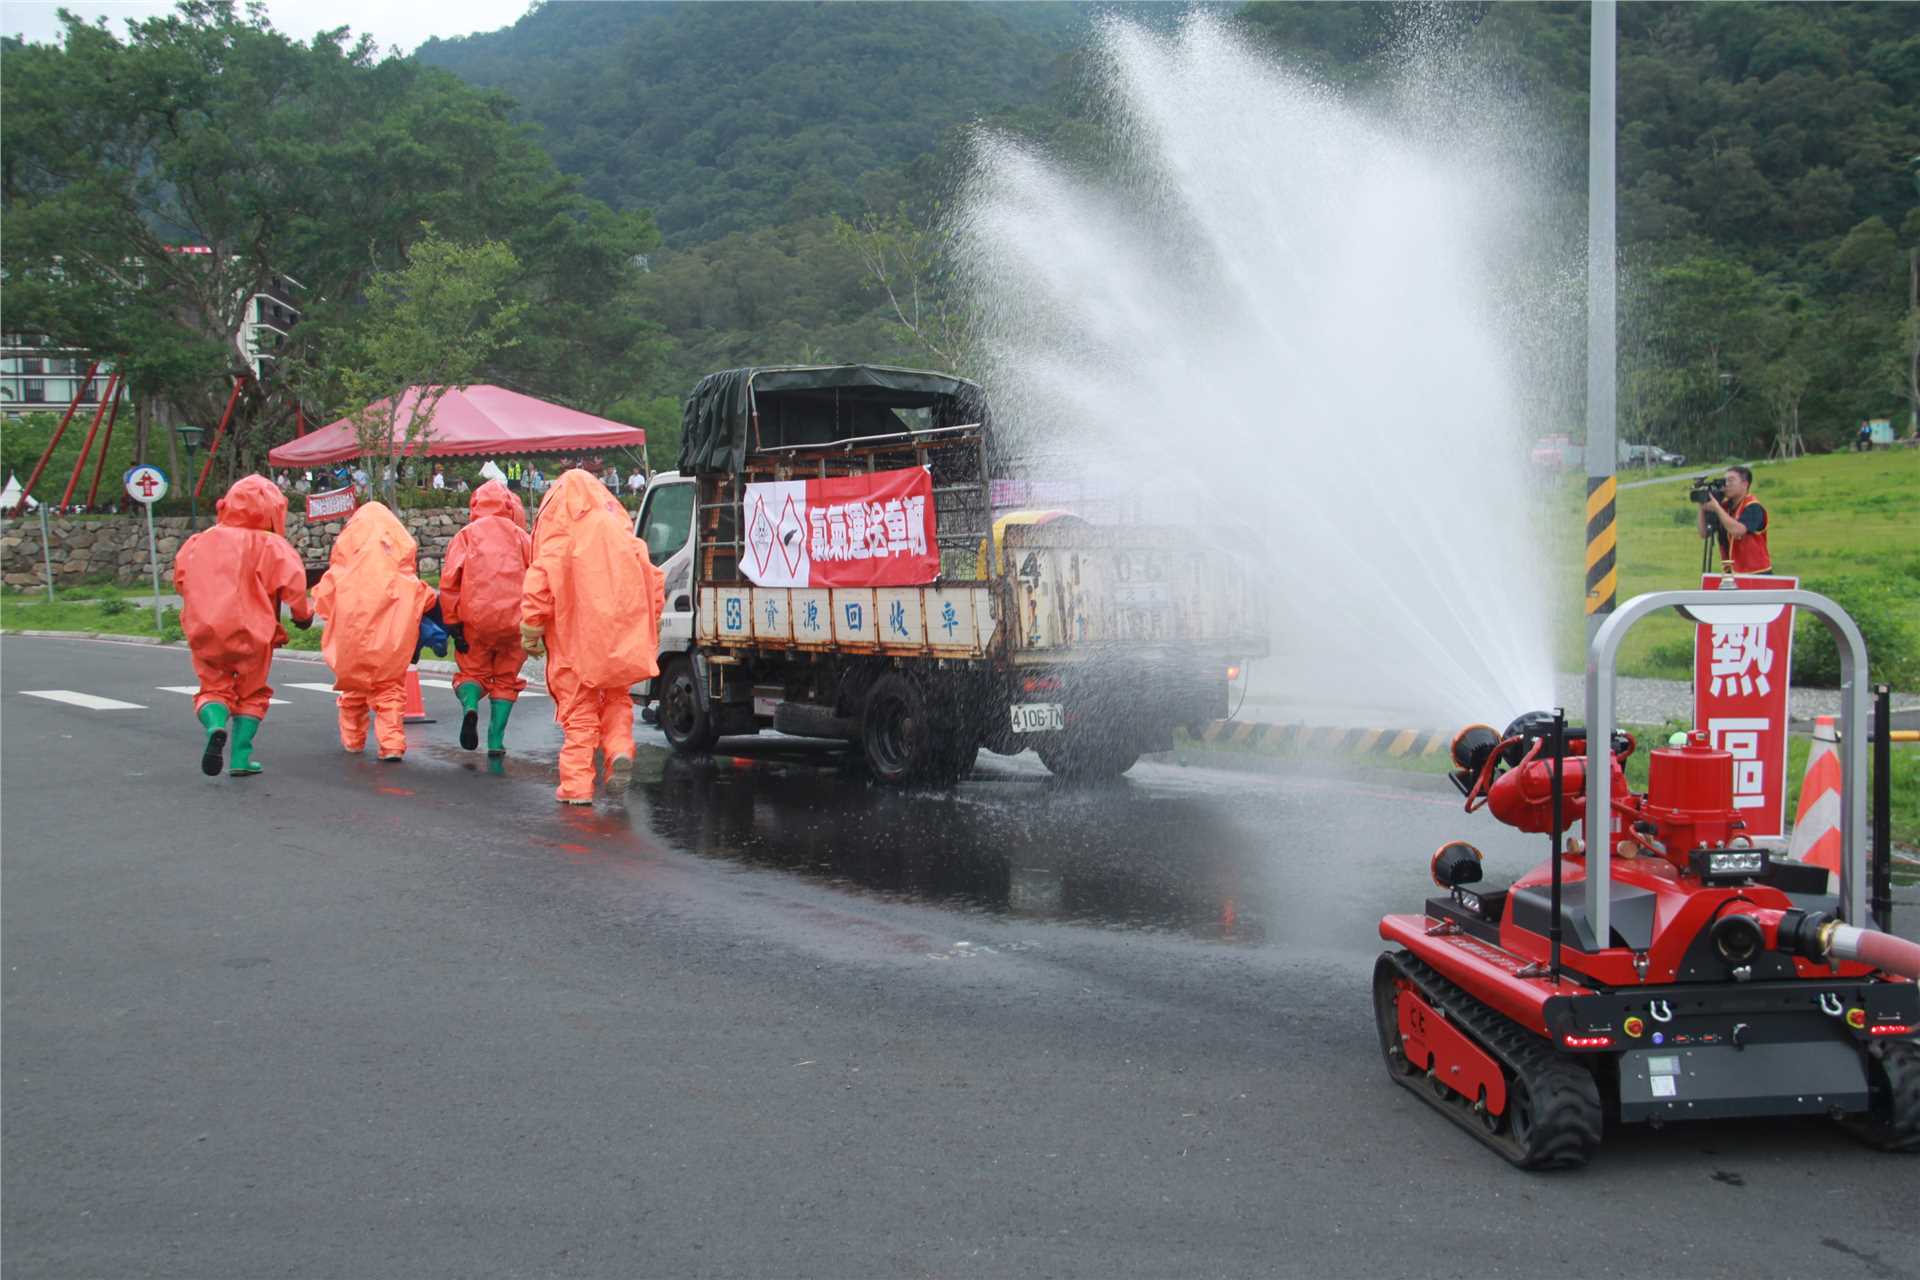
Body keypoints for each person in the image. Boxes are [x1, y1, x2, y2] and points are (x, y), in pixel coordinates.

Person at [520, 469, 665, 804]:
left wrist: (532, 628)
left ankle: (577, 786)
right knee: (616, 698)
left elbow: (539, 583)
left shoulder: (560, 539)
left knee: (579, 710)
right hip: (620, 638)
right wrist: (649, 621)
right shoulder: (625, 538)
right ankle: (618, 750)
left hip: (574, 639)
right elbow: (655, 581)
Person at [173, 475, 313, 777]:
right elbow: (294, 585)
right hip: (254, 632)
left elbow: (181, 581)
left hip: (205, 631)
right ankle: (240, 758)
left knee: (212, 688)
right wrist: (303, 616)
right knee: (252, 693)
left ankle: (214, 725)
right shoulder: (272, 544)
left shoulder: (199, 541)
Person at [312, 502, 437, 761]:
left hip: (350, 646)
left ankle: (353, 740)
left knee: (353, 692)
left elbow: (323, 604)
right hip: (390, 648)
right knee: (389, 693)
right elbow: (426, 600)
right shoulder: (404, 578)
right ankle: (391, 744)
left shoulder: (340, 575)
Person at [440, 480, 533, 756]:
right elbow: (539, 576)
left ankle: (470, 707)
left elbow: (449, 582)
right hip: (514, 622)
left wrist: (453, 623)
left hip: (475, 620)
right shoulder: (521, 536)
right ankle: (495, 740)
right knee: (506, 679)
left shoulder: (466, 536)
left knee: (471, 672)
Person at [1697, 464, 1771, 574]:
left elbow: (1738, 531)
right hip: (1731, 573)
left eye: (1731, 480)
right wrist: (1702, 506)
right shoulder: (1725, 508)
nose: (1726, 485)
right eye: (1725, 480)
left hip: (1756, 573)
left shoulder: (1753, 506)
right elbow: (1704, 533)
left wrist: (1717, 508)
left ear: (1745, 484)